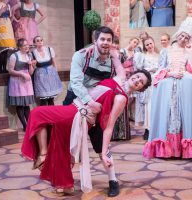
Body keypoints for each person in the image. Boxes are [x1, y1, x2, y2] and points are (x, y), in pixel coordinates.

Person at [21, 69, 151, 196]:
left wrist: (105, 152)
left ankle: (43, 155)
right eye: (138, 76)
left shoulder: (121, 98)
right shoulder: (118, 78)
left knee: (37, 113)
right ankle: (66, 185)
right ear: (132, 74)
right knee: (60, 144)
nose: (137, 80)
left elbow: (109, 127)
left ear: (140, 89)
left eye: (141, 82)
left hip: (79, 115)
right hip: (75, 107)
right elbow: (116, 61)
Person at [62, 26, 121, 197]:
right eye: (102, 39)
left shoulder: (114, 59)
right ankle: (64, 179)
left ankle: (113, 180)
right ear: (95, 41)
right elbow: (76, 82)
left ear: (112, 43)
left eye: (108, 40)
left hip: (98, 106)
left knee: (102, 143)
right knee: (67, 142)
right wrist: (89, 101)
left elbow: (121, 78)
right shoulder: (81, 55)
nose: (105, 43)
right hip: (75, 100)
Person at [143, 22, 192, 159]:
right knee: (169, 114)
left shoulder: (188, 52)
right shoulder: (166, 50)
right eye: (182, 36)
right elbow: (160, 69)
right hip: (169, 86)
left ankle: (182, 150)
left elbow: (190, 69)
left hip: (184, 86)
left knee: (184, 115)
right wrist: (171, 74)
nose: (183, 39)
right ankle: (167, 149)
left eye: (187, 38)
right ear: (178, 35)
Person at [133, 36, 159, 140]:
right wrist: (150, 69)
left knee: (156, 105)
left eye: (150, 43)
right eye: (147, 44)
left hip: (158, 82)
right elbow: (139, 69)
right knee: (148, 106)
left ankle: (157, 128)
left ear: (154, 43)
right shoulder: (143, 56)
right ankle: (147, 129)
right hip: (148, 82)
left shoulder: (159, 55)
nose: (149, 46)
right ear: (144, 46)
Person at [7, 38, 35, 131]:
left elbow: (30, 73)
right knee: (20, 105)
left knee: (26, 104)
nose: (27, 47)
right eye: (24, 45)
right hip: (17, 82)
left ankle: (29, 124)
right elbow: (10, 71)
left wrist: (31, 65)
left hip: (26, 82)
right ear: (19, 47)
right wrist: (22, 74)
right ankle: (24, 125)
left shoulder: (28, 56)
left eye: (27, 45)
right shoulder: (14, 56)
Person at [31, 36, 63, 106]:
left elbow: (54, 62)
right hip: (40, 76)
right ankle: (43, 115)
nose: (40, 42)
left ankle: (52, 115)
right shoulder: (33, 53)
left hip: (50, 75)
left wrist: (56, 74)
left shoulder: (49, 49)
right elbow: (33, 66)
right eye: (37, 41)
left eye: (41, 40)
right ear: (34, 43)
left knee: (51, 98)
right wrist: (33, 65)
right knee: (43, 99)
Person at [0, 0, 16, 73]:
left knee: (7, 49)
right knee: (2, 49)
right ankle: (0, 69)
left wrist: (13, 14)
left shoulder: (8, 5)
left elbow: (11, 18)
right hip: (0, 27)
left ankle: (4, 68)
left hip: (8, 27)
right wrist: (1, 11)